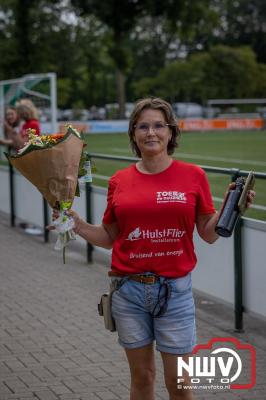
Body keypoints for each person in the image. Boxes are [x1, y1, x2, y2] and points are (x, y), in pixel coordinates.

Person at [50, 97, 255, 400]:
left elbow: (209, 234)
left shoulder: (193, 175)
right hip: (128, 291)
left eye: (159, 125)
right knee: (142, 379)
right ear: (133, 134)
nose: (151, 133)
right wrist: (76, 224)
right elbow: (110, 235)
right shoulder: (119, 180)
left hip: (175, 292)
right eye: (142, 126)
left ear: (171, 132)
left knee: (180, 384)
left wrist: (231, 209)